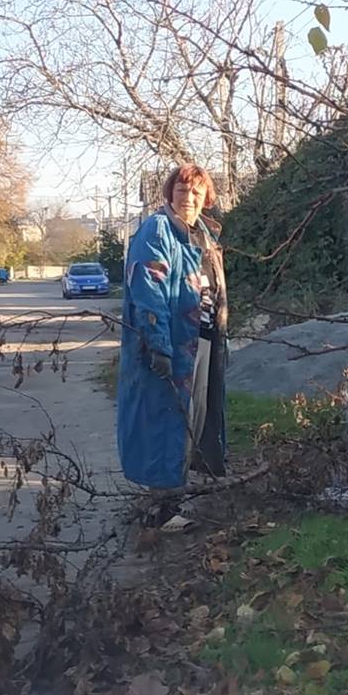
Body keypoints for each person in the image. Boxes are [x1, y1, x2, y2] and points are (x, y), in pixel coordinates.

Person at [117, 163, 228, 489]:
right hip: (173, 344)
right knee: (167, 423)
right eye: (182, 190)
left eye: (196, 191)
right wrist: (158, 346)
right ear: (169, 194)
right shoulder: (158, 232)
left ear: (207, 196)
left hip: (204, 339)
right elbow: (150, 295)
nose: (189, 198)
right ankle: (162, 510)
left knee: (193, 421)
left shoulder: (205, 235)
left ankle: (176, 492)